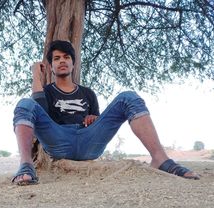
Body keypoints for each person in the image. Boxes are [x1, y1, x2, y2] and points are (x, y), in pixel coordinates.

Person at [12, 40, 200, 185]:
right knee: (24, 104)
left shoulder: (88, 93)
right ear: (51, 66)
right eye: (57, 58)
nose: (62, 61)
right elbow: (40, 113)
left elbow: (96, 120)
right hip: (59, 140)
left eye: (66, 57)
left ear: (73, 64)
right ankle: (26, 165)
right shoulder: (47, 91)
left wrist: (94, 118)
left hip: (89, 142)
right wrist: (36, 76)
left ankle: (160, 158)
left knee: (128, 97)